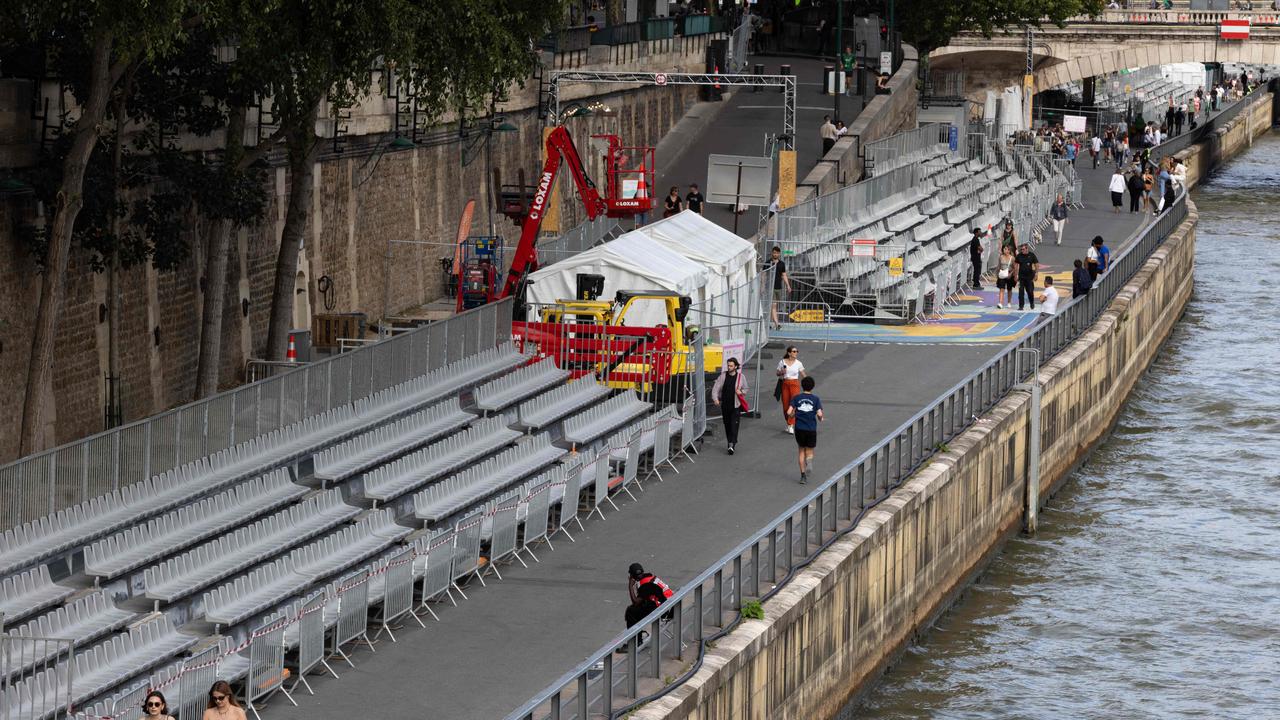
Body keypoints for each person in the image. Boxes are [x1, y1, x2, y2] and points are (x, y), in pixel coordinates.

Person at [620, 563, 673, 651]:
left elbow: (635, 602)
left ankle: (635, 642)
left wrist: (630, 585)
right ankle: (639, 635)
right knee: (638, 608)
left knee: (631, 611)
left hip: (665, 611)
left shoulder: (646, 584)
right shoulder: (650, 578)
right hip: (670, 606)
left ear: (632, 576)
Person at [786, 376, 823, 484]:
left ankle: (803, 476)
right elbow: (820, 414)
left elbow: (789, 412)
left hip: (799, 428)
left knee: (801, 450)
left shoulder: (796, 398)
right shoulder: (816, 399)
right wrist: (820, 418)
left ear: (802, 386)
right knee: (809, 450)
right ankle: (809, 462)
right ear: (813, 386)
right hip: (811, 428)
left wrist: (793, 415)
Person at [711, 357, 748, 454]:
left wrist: (741, 392)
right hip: (725, 405)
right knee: (727, 425)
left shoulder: (741, 377)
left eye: (731, 365)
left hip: (736, 405)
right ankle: (730, 442)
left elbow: (746, 388)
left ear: (736, 366)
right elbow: (716, 388)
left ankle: (732, 444)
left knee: (734, 425)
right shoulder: (723, 376)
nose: (729, 367)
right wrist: (715, 399)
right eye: (728, 365)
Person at [776, 346, 805, 433]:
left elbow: (803, 374)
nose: (796, 353)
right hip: (785, 383)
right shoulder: (782, 362)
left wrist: (808, 383)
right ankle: (789, 423)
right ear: (789, 353)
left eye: (797, 351)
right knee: (785, 406)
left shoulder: (798, 363)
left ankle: (791, 424)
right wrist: (782, 372)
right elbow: (777, 373)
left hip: (795, 384)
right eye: (794, 351)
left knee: (793, 405)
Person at [767, 246, 789, 330]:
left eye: (777, 253)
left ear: (779, 254)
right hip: (770, 287)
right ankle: (777, 324)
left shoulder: (782, 264)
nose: (775, 254)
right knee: (774, 305)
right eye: (774, 252)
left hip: (778, 287)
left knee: (775, 306)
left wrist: (788, 285)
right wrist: (762, 286)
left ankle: (769, 323)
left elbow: (784, 275)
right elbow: (764, 275)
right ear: (772, 253)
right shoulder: (768, 263)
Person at [1014, 243, 1039, 311]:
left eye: (1023, 249)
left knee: (1030, 291)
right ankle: (1021, 306)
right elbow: (1016, 265)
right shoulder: (1019, 256)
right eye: (1021, 249)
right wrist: (1015, 275)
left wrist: (1036, 274)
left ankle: (1032, 303)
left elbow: (1036, 264)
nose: (1022, 251)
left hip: (1029, 277)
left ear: (1027, 249)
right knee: (1021, 292)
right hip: (1021, 277)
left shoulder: (1031, 255)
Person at [995, 243, 1016, 309]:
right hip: (1002, 273)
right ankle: (1000, 303)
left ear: (1009, 250)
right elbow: (999, 265)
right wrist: (997, 273)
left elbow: (1014, 267)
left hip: (1009, 274)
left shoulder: (1012, 258)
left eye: (1007, 249)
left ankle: (1009, 302)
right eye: (1004, 249)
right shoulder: (1001, 257)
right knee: (1002, 288)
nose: (1005, 250)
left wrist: (1012, 274)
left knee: (1009, 289)